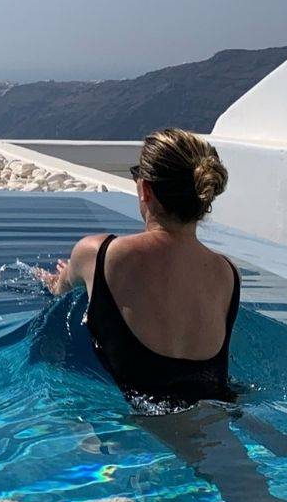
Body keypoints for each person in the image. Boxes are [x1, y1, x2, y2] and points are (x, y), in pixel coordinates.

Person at [34, 128, 237, 406]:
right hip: (220, 412)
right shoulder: (227, 274)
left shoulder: (99, 254)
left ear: (145, 190)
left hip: (132, 422)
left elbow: (60, 288)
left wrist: (51, 279)